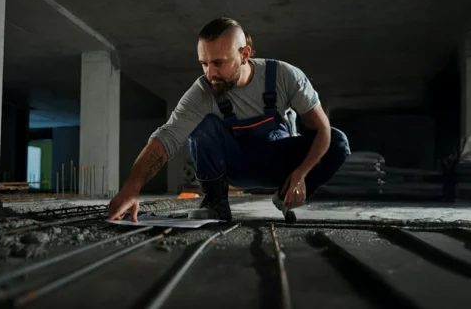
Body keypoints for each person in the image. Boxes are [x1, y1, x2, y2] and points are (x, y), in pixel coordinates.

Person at [106, 17, 351, 222]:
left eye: (219, 63)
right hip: (237, 165)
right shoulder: (203, 91)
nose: (210, 73)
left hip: (282, 166)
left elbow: (322, 130)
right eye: (204, 63)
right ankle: (216, 203)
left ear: (244, 54)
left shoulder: (285, 77)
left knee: (338, 142)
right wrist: (133, 186)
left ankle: (284, 196)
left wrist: (301, 174)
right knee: (202, 125)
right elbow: (167, 137)